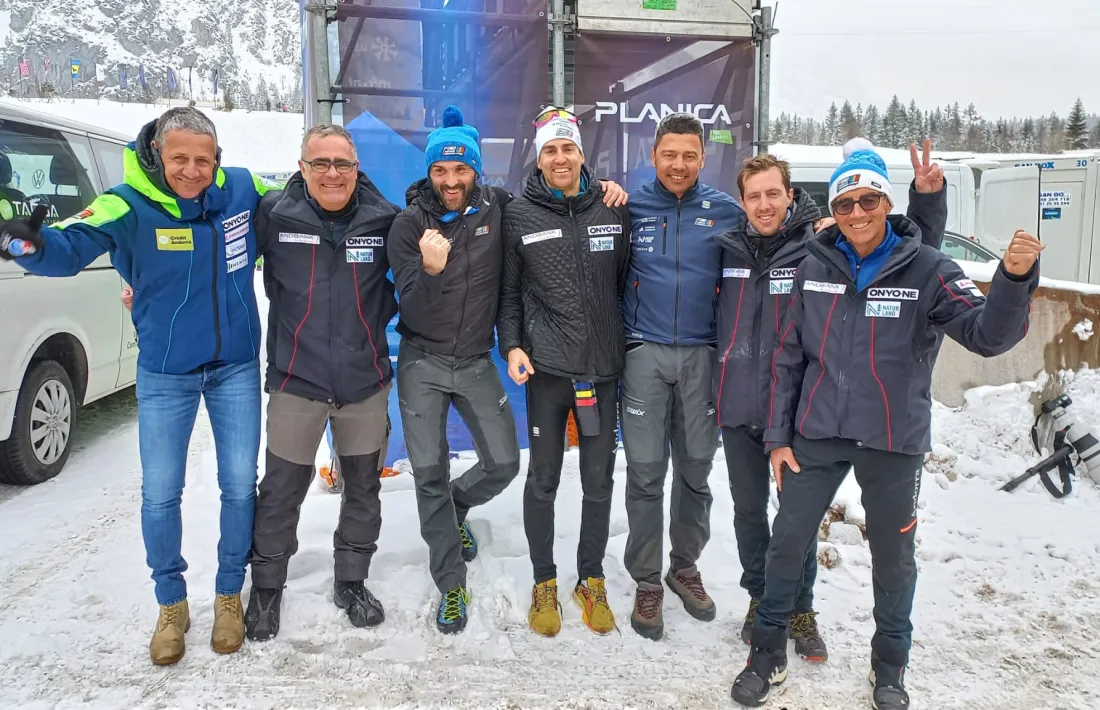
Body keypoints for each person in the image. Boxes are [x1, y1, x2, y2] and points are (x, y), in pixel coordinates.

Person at [731, 143, 1041, 709]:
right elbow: (789, 357)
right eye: (844, 203)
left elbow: (987, 336)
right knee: (786, 545)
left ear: (886, 202)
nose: (856, 213)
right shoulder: (814, 266)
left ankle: (890, 666)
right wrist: (777, 437)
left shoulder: (930, 269)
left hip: (893, 439)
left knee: (894, 559)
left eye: (867, 200)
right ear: (833, 210)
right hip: (817, 434)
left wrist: (1014, 279)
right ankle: (766, 655)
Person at [0, 107, 275, 665]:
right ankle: (171, 604)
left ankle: (229, 594)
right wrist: (30, 246)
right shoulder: (125, 203)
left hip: (235, 367)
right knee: (161, 493)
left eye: (203, 160)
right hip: (167, 373)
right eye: (180, 159)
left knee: (239, 486)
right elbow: (72, 245)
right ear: (156, 154)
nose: (193, 171)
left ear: (218, 159)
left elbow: (303, 194)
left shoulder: (242, 188)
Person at [388, 105, 626, 635]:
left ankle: (454, 506)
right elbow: (411, 307)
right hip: (423, 360)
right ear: (429, 173)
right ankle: (452, 583)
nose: (451, 180)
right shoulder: (408, 226)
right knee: (428, 471)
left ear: (476, 170)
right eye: (440, 170)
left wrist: (607, 190)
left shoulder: (500, 208)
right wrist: (431, 269)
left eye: (461, 169)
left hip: (476, 359)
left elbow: (552, 245)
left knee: (502, 463)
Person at [716, 139, 949, 661]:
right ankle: (761, 600)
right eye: (753, 196)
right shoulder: (726, 247)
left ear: (791, 195)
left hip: (799, 408)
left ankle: (800, 608)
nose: (763, 204)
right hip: (740, 403)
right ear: (742, 201)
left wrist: (928, 199)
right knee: (749, 513)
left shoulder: (820, 244)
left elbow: (909, 259)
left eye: (773, 193)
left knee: (794, 521)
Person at [243, 124, 399, 640]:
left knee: (363, 488)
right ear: (302, 167)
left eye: (342, 164)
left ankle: (351, 581)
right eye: (321, 163)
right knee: (281, 488)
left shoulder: (384, 219)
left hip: (364, 382)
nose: (332, 174)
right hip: (297, 379)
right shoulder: (274, 214)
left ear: (357, 168)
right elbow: (213, 256)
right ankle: (267, 587)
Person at [497, 107, 630, 638]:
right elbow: (509, 292)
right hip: (548, 371)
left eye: (567, 148)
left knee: (598, 481)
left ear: (581, 154)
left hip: (602, 371)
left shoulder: (612, 208)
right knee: (544, 479)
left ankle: (590, 578)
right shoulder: (519, 215)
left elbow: (625, 283)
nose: (559, 158)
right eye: (550, 150)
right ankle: (544, 581)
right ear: (538, 157)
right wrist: (511, 345)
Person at [617, 112, 745, 640]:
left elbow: (776, 227)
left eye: (689, 155)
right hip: (644, 355)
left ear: (703, 158)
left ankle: (684, 567)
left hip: (701, 357)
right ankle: (647, 579)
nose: (678, 164)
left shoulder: (727, 212)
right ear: (653, 156)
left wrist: (815, 216)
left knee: (695, 470)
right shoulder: (627, 207)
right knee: (646, 473)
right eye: (669, 154)